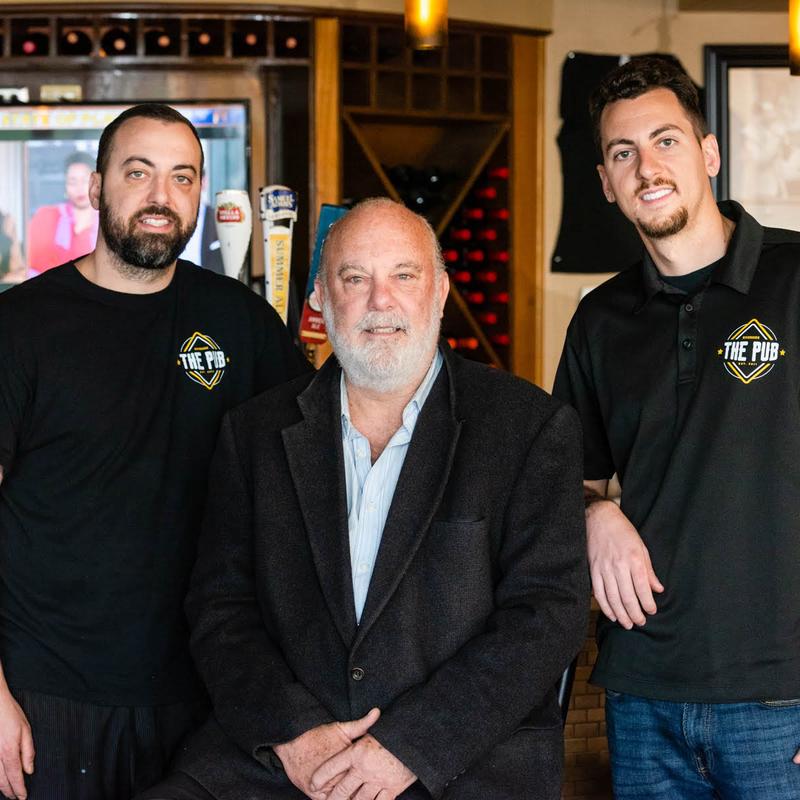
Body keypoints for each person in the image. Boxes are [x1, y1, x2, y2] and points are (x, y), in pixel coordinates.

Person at [140, 197, 589, 800]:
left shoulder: (529, 428)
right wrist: (294, 733)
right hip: (285, 759)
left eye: (404, 275)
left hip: (457, 763)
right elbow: (221, 607)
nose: (381, 301)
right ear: (321, 298)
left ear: (440, 292)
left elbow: (547, 616)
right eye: (355, 278)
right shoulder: (253, 433)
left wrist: (408, 748)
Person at [0, 103, 311, 800]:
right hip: (47, 693)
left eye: (182, 177)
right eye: (138, 173)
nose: (161, 198)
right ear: (96, 187)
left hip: (203, 693)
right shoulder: (20, 325)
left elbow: (321, 453)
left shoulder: (238, 319)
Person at [553, 56, 800, 799]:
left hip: (780, 700)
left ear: (709, 153)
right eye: (623, 152)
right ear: (605, 181)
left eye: (666, 141)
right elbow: (562, 478)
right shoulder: (601, 319)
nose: (646, 167)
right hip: (643, 694)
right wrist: (594, 513)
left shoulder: (794, 279)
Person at [27, 151, 99, 273]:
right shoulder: (46, 217)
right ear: (65, 186)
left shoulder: (108, 222)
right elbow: (33, 266)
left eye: (85, 181)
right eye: (72, 182)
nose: (79, 188)